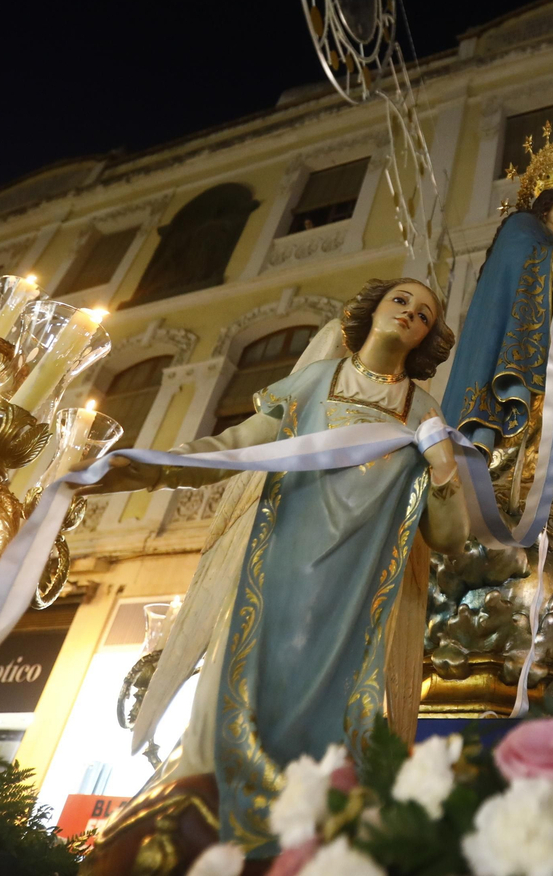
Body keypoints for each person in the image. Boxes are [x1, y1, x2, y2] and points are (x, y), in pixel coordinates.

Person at [77, 277, 463, 860]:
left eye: (425, 315)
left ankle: (301, 840)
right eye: (401, 301)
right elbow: (237, 447)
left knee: (332, 735)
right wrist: (154, 467)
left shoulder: (424, 413)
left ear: (429, 337)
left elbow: (449, 536)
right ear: (373, 310)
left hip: (352, 604)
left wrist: (444, 468)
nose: (411, 315)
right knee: (231, 706)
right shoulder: (313, 384)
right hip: (272, 576)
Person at [442, 121, 553, 542]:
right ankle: (505, 510)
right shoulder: (522, 230)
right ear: (545, 203)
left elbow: (547, 333)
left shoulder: (550, 250)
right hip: (516, 372)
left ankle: (541, 519)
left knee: (547, 441)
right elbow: (516, 297)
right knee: (518, 438)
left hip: (541, 370)